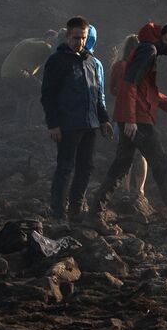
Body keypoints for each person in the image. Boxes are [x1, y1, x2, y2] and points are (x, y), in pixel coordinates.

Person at [92, 21, 167, 227]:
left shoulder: (147, 49)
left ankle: (94, 212)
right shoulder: (148, 50)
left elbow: (146, 90)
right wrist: (131, 119)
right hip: (139, 120)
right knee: (161, 164)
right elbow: (130, 84)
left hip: (133, 117)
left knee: (121, 164)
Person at [39, 17, 113, 223]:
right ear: (67, 36)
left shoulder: (90, 62)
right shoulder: (57, 61)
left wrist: (104, 119)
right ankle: (57, 214)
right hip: (67, 125)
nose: (80, 42)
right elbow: (48, 95)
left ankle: (75, 209)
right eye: (76, 37)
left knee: (86, 167)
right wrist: (53, 124)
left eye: (83, 38)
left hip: (90, 124)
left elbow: (96, 94)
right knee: (65, 168)